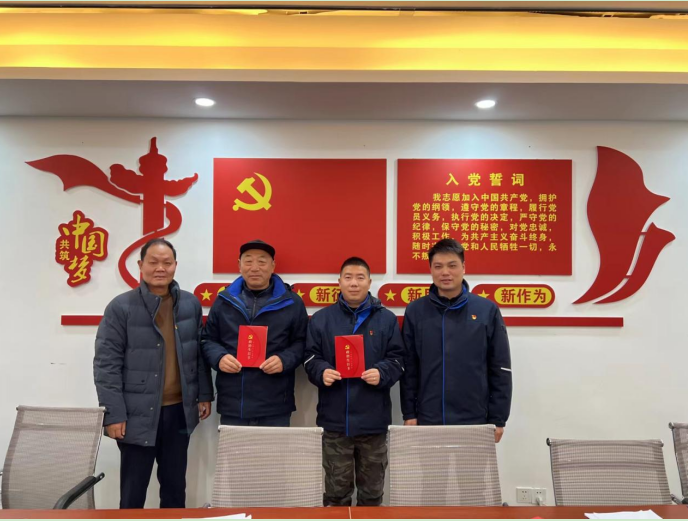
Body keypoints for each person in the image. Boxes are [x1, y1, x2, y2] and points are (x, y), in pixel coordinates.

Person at [94, 238, 213, 509]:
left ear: (175, 266)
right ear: (140, 265)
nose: (161, 268)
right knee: (133, 492)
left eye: (167, 262)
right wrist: (114, 414)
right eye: (153, 262)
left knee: (175, 489)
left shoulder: (190, 304)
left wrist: (204, 394)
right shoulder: (121, 307)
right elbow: (106, 365)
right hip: (136, 414)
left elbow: (198, 353)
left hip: (178, 412)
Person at [304, 257, 404, 506]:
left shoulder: (386, 319)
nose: (354, 283)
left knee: (372, 496)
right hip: (335, 423)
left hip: (374, 424)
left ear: (369, 282)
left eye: (360, 278)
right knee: (336, 497)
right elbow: (309, 358)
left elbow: (399, 359)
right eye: (348, 277)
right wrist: (322, 371)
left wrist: (382, 372)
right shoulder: (322, 319)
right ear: (339, 282)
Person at [400, 238, 512, 442]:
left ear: (463, 267)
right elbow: (409, 367)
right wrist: (409, 413)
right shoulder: (416, 311)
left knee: (472, 466)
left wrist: (498, 418)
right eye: (438, 266)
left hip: (475, 419)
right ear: (431, 270)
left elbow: (500, 367)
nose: (445, 272)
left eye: (452, 265)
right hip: (429, 418)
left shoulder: (486, 310)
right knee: (432, 466)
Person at [201, 239, 308, 426]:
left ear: (273, 266)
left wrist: (284, 360)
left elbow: (302, 342)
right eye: (248, 261)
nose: (255, 268)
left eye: (262, 261)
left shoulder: (292, 302)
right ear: (239, 265)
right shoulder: (223, 301)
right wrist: (219, 358)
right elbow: (208, 340)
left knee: (273, 447)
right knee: (233, 447)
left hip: (276, 403)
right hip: (233, 403)